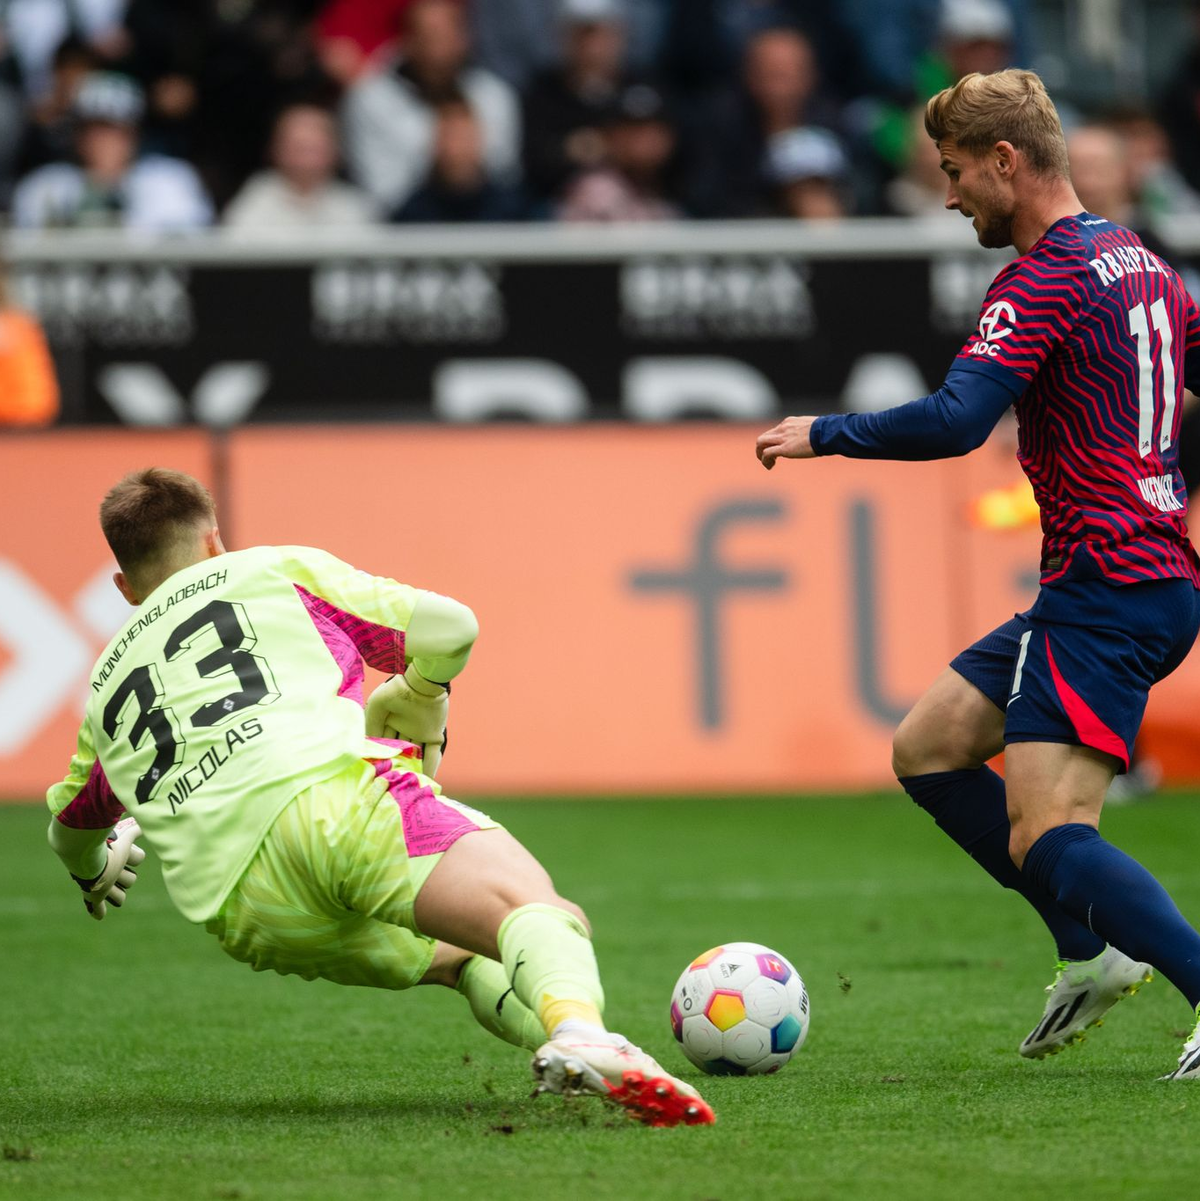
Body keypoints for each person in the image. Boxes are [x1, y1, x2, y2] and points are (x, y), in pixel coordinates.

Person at [754, 69, 1200, 1080]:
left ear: (1007, 161)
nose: (950, 196)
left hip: (1105, 583)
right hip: (1146, 572)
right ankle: (1092, 948)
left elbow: (955, 420)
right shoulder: (1144, 262)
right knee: (929, 748)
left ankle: (1165, 964)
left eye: (955, 174)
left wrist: (824, 433)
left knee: (1048, 835)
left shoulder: (1044, 279)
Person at [45, 468, 713, 1127]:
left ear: (125, 588)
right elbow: (453, 628)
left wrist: (96, 867)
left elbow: (69, 827)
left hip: (246, 910)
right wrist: (421, 692)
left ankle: (582, 1047)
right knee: (532, 909)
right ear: (216, 542)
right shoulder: (271, 571)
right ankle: (582, 1033)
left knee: (465, 959)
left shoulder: (104, 690)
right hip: (329, 801)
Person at [340, 0, 521, 215]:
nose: (438, 47)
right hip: (403, 229)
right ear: (407, 40)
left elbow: (505, 176)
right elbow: (382, 194)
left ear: (464, 37)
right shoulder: (370, 98)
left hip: (488, 221)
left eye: (447, 34)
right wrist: (441, 165)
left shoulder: (494, 95)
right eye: (429, 35)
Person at [12, 71, 212, 231]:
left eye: (115, 129)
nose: (105, 140)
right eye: (95, 128)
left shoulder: (171, 181)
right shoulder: (43, 187)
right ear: (77, 135)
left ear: (134, 135)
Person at [223, 103, 378, 232]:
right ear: (276, 150)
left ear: (335, 151)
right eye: (299, 148)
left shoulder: (353, 206)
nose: (307, 160)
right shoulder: (254, 199)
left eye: (315, 149)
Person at [394, 96, 529, 223]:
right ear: (434, 144)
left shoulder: (513, 210)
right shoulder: (411, 214)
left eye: (464, 138)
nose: (456, 149)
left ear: (480, 140)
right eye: (449, 138)